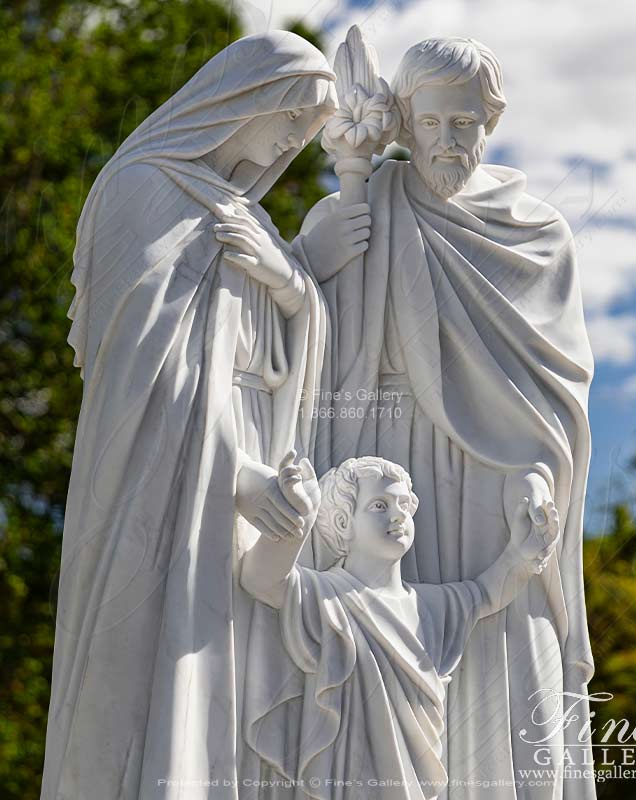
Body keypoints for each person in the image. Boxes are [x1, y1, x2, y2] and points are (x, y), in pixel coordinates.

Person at [41, 31, 336, 800]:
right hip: (158, 476)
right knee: (147, 673)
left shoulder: (246, 218)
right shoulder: (142, 188)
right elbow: (141, 373)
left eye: (305, 133)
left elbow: (278, 360)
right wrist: (238, 477)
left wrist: (290, 286)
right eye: (288, 117)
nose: (290, 141)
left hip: (238, 469)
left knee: (221, 686)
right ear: (239, 97)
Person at [297, 37, 595, 799]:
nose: (448, 143)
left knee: (501, 659)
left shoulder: (538, 235)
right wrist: (316, 253)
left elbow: (554, 395)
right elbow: (306, 338)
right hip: (385, 470)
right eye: (430, 125)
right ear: (404, 122)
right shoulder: (369, 202)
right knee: (387, 678)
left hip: (496, 487)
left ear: (490, 122)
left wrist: (536, 473)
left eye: (464, 123)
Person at [241, 456, 559, 800]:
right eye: (380, 505)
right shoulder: (327, 595)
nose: (398, 515)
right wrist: (293, 525)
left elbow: (485, 594)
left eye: (404, 504)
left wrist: (522, 556)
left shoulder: (431, 606)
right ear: (343, 521)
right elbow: (260, 580)